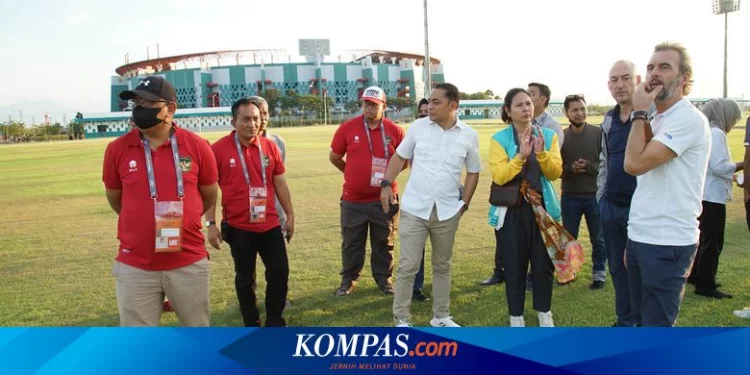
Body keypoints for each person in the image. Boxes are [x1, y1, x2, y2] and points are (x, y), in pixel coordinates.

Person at [103, 76, 218, 326]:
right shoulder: (117, 149)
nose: (140, 107)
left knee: (197, 338)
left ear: (171, 110)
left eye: (148, 102)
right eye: (136, 102)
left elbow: (209, 194)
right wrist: (140, 219)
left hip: (188, 261)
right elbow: (116, 199)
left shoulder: (198, 146)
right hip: (136, 265)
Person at [624, 42, 710, 327]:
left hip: (667, 242)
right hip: (642, 236)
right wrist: (633, 237)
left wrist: (638, 112)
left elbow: (634, 164)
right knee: (639, 322)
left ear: (684, 78)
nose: (654, 73)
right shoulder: (657, 118)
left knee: (656, 329)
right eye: (650, 67)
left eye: (664, 67)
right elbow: (645, 179)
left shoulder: (687, 119)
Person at [382, 83, 481, 327]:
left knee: (442, 266)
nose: (430, 106)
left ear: (453, 105)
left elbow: (473, 172)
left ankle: (441, 316)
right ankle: (402, 320)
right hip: (415, 208)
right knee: (408, 266)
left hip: (447, 212)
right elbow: (399, 157)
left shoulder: (468, 135)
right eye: (429, 101)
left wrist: (464, 204)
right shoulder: (418, 127)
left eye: (436, 102)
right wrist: (386, 184)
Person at [207, 97, 294, 327]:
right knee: (245, 279)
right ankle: (251, 324)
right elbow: (208, 190)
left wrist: (290, 215)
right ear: (233, 121)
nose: (252, 124)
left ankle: (275, 323)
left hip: (270, 224)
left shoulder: (270, 147)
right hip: (238, 228)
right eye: (245, 119)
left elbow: (281, 184)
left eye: (255, 119)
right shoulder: (218, 150)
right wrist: (211, 224)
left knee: (279, 272)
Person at [488, 88, 562, 327]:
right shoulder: (499, 139)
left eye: (529, 104)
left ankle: (544, 312)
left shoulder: (548, 135)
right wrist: (520, 156)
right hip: (511, 212)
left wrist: (541, 154)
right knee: (514, 265)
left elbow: (555, 172)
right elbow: (499, 176)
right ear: (508, 111)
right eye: (519, 105)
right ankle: (516, 316)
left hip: (542, 210)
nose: (526, 109)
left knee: (543, 265)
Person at [329, 86, 405, 296]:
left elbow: (403, 162)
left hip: (385, 199)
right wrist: (350, 174)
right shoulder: (347, 128)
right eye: (365, 104)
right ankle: (348, 281)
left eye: (373, 105)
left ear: (384, 106)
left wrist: (387, 182)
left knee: (384, 242)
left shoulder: (395, 131)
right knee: (352, 243)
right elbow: (335, 157)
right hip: (354, 200)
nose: (368, 108)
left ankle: (384, 280)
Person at [598, 60, 641, 327]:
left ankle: (643, 322)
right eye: (614, 80)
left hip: (642, 209)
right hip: (611, 207)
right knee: (617, 267)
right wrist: (600, 198)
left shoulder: (649, 117)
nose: (620, 85)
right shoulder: (608, 120)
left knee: (642, 270)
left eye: (626, 78)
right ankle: (624, 321)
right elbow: (605, 159)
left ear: (637, 81)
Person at [688, 99, 743, 300]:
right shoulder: (717, 133)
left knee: (703, 239)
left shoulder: (708, 131)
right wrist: (743, 164)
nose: (734, 122)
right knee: (713, 242)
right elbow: (719, 168)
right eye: (734, 118)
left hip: (704, 194)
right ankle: (706, 284)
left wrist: (734, 174)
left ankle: (697, 275)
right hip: (713, 197)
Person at [559, 94, 606, 289]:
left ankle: (599, 274)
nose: (580, 113)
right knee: (568, 239)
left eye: (582, 109)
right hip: (570, 196)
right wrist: (570, 168)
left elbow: (606, 164)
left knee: (598, 238)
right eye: (575, 110)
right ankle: (568, 272)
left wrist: (588, 166)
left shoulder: (598, 133)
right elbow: (555, 168)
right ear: (566, 112)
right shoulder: (561, 137)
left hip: (594, 195)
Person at [412, 98, 430, 302]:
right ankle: (415, 287)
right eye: (421, 111)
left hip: (443, 201)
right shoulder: (414, 134)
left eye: (428, 110)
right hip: (418, 199)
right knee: (417, 247)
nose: (425, 114)